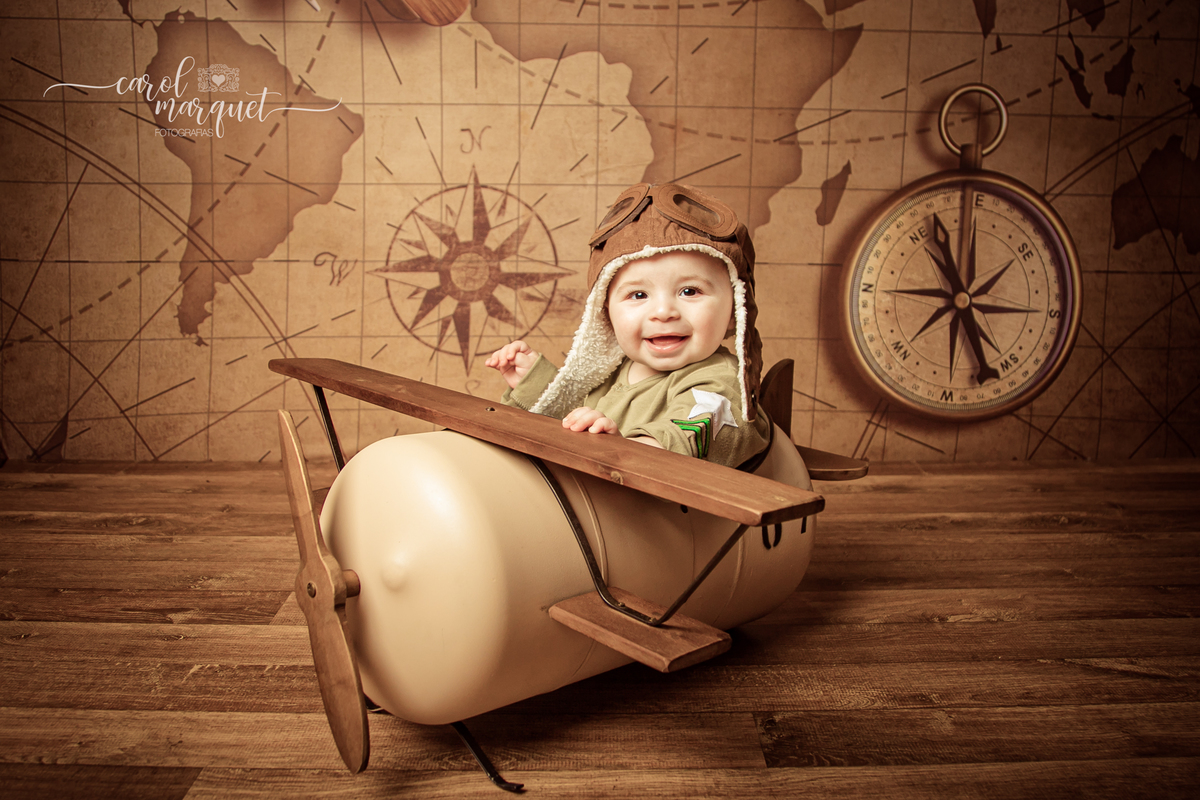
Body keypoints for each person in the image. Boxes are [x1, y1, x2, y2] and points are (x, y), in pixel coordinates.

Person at [485, 182, 771, 468]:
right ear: (605, 313)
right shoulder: (613, 372)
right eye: (638, 295)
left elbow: (693, 432)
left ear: (736, 308)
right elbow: (575, 421)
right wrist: (537, 385)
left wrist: (624, 448)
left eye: (689, 291)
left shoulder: (721, 384)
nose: (663, 312)